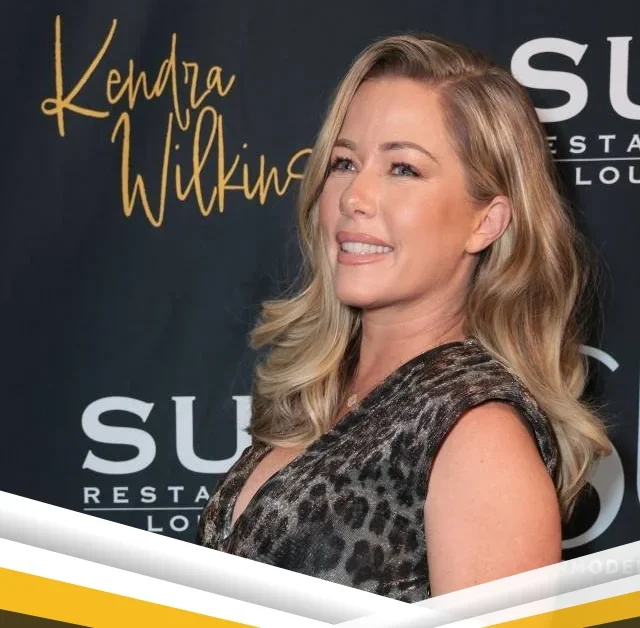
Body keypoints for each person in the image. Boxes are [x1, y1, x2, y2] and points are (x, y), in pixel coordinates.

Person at [196, 33, 612, 602]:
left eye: (403, 169)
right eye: (344, 162)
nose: (354, 196)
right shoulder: (336, 393)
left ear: (486, 222)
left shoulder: (477, 435)